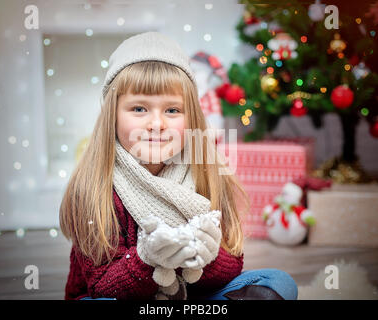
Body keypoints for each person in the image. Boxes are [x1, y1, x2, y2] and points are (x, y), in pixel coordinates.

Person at [59, 31, 298, 300]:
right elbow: (102, 286)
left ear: (191, 118)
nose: (157, 124)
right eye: (139, 109)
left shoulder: (207, 175)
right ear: (112, 116)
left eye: (172, 110)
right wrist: (147, 259)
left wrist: (205, 258)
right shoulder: (95, 186)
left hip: (192, 296)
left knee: (277, 282)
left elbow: (233, 264)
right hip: (124, 296)